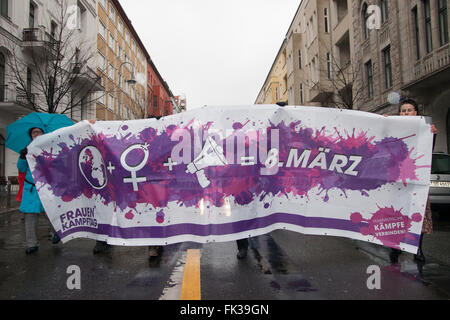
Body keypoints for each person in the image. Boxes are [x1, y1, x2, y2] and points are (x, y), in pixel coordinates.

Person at [389, 98, 437, 264]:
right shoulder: (393, 130)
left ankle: (417, 249)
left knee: (418, 216)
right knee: (397, 217)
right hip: (398, 182)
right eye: (403, 110)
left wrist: (432, 135)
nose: (406, 113)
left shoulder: (425, 130)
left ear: (416, 113)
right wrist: (382, 124)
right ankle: (394, 248)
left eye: (409, 110)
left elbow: (427, 153)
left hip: (417, 181)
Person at [18, 127, 60, 254]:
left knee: (51, 213)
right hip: (31, 189)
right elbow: (21, 168)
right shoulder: (26, 150)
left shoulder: (48, 148)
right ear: (30, 135)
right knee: (30, 216)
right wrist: (22, 157)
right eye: (34, 132)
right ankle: (32, 244)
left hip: (45, 187)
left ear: (43, 134)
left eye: (39, 132)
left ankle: (57, 232)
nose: (36, 134)